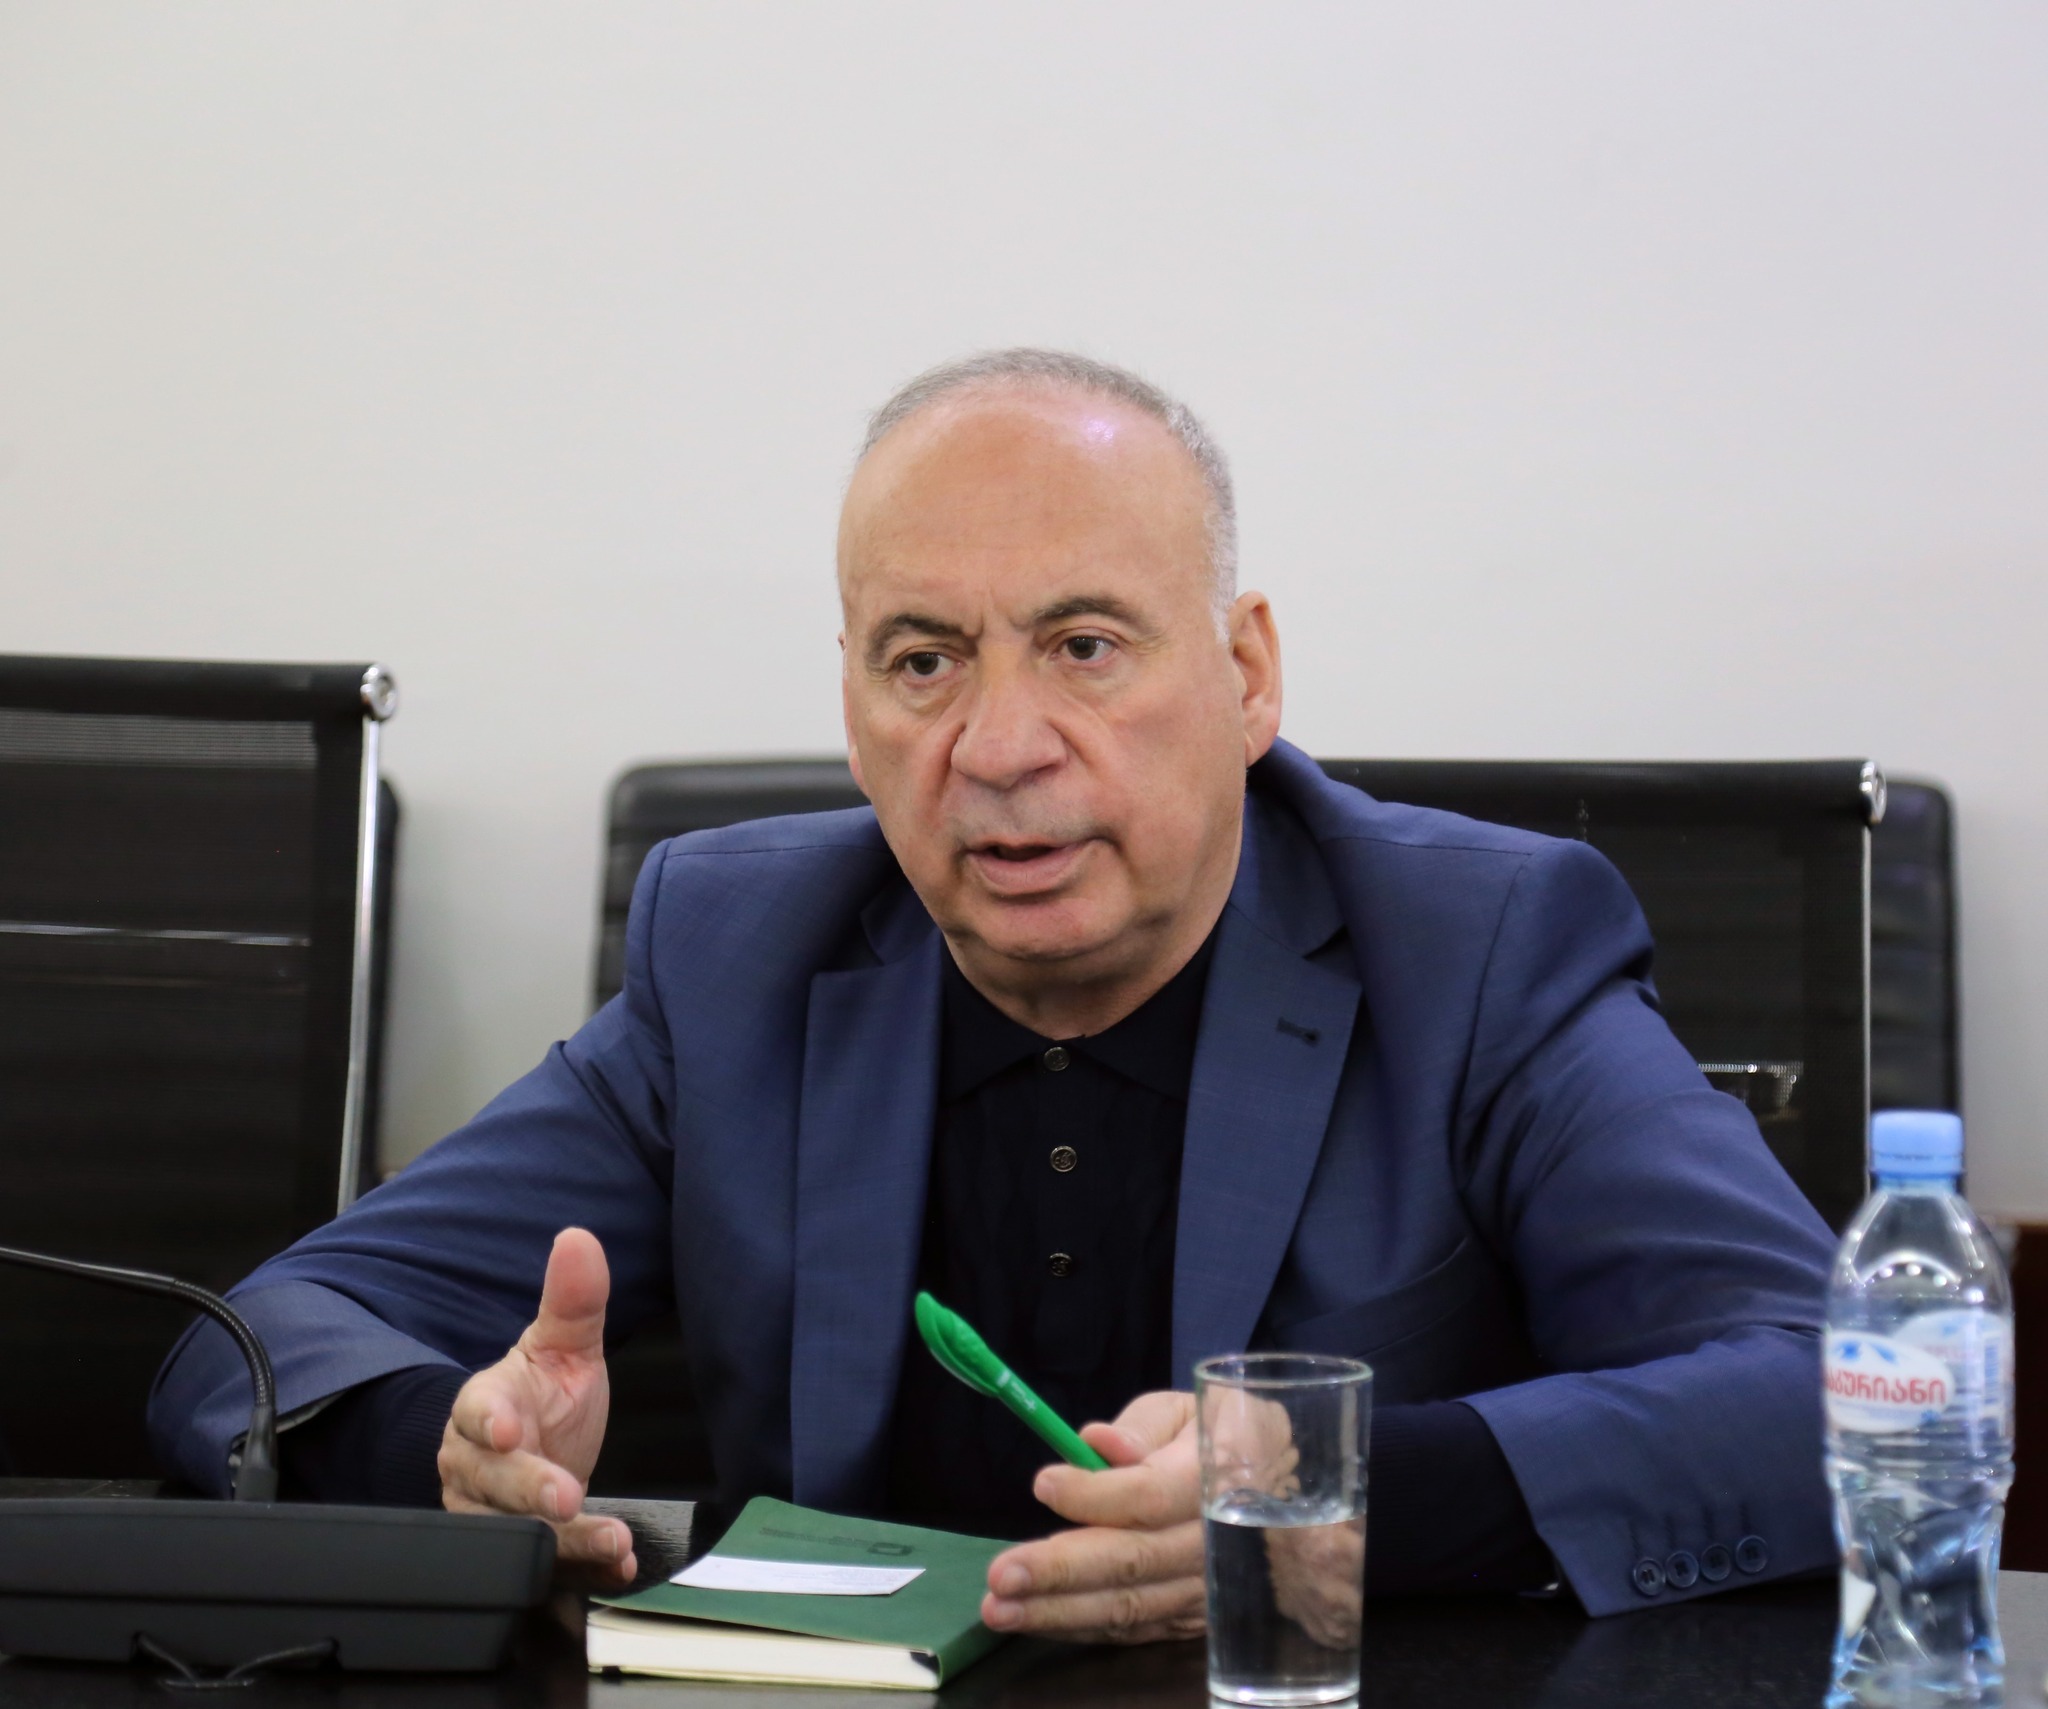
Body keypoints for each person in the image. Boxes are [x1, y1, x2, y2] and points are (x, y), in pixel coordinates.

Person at [150, 349, 1838, 1638]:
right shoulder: (740, 954)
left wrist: (1334, 1489)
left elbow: (1839, 1390)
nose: (1002, 744)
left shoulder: (1481, 948)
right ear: (851, 704)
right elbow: (253, 1344)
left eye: (1085, 644)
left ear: (1246, 672)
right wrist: (452, 1445)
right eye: (924, 660)